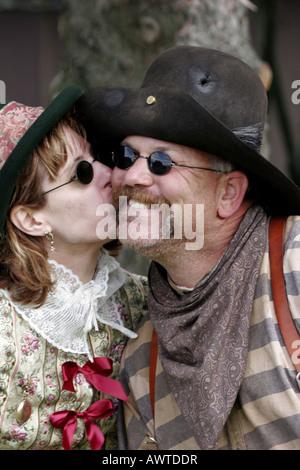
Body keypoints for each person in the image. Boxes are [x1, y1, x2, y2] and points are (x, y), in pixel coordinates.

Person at [76, 46, 300, 450]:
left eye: (162, 161)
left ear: (229, 193)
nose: (132, 176)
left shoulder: (295, 264)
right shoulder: (140, 356)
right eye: (127, 156)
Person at [0, 84, 148, 450]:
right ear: (31, 219)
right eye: (82, 172)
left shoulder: (146, 302)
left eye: (98, 158)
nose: (109, 174)